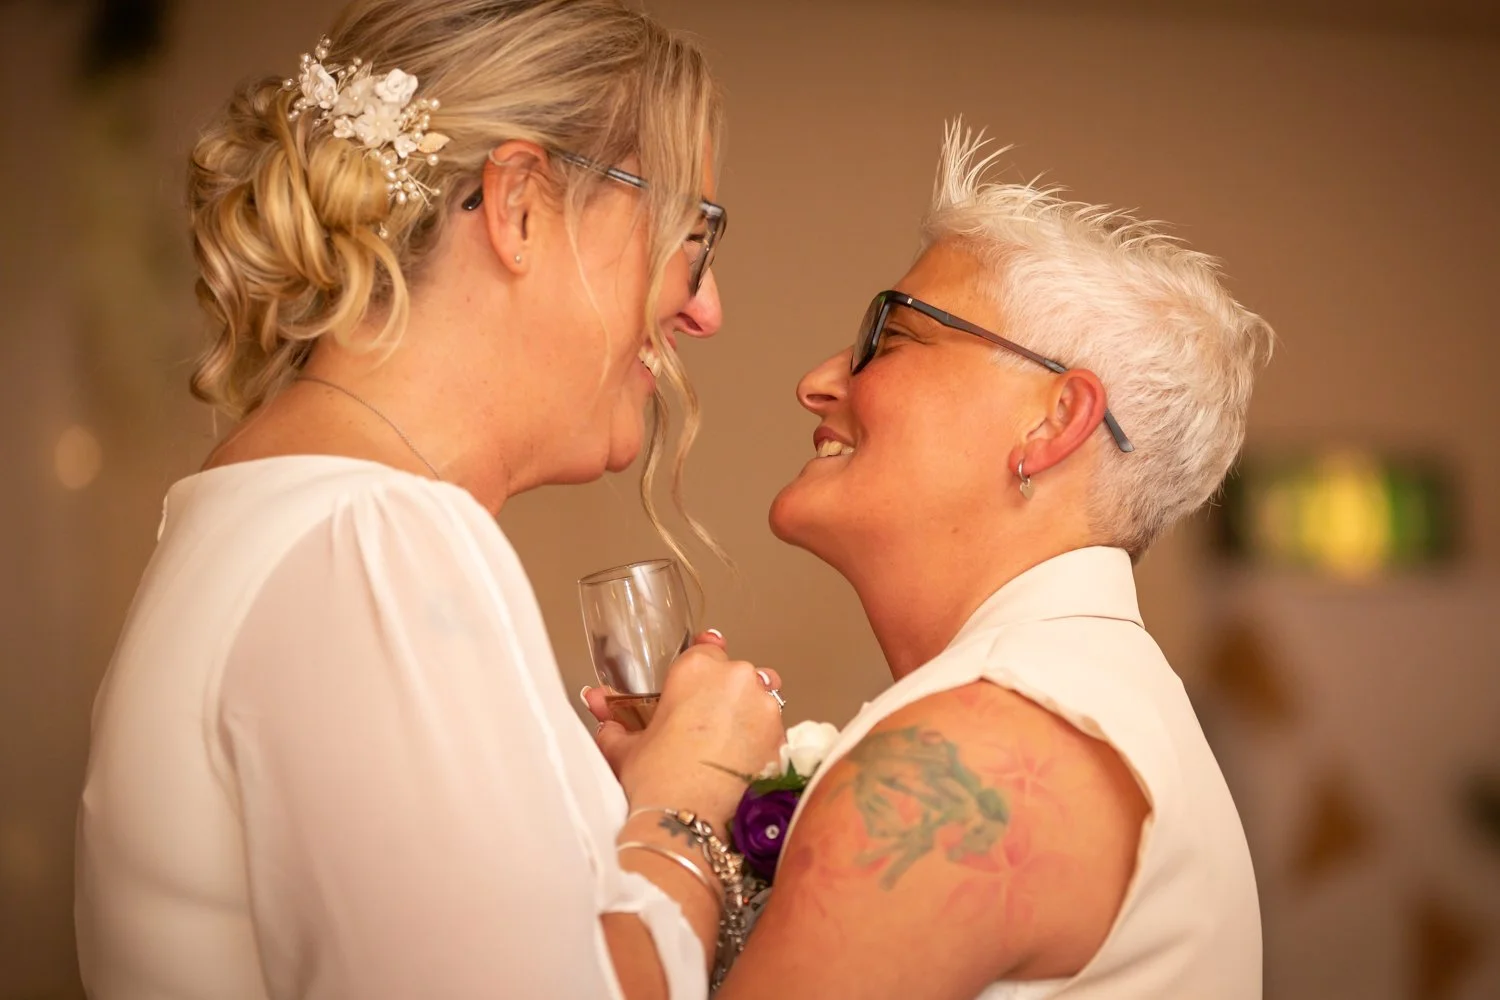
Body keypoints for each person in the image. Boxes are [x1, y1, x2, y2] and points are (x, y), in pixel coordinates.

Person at [73, 2, 785, 998]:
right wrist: (690, 798)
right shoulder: (374, 543)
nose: (707, 307)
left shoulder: (267, 516)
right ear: (522, 205)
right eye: (690, 233)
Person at [716, 124, 1274, 997]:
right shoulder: (1099, 706)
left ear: (1054, 422)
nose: (821, 381)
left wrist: (669, 818)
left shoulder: (975, 751)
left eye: (889, 336)